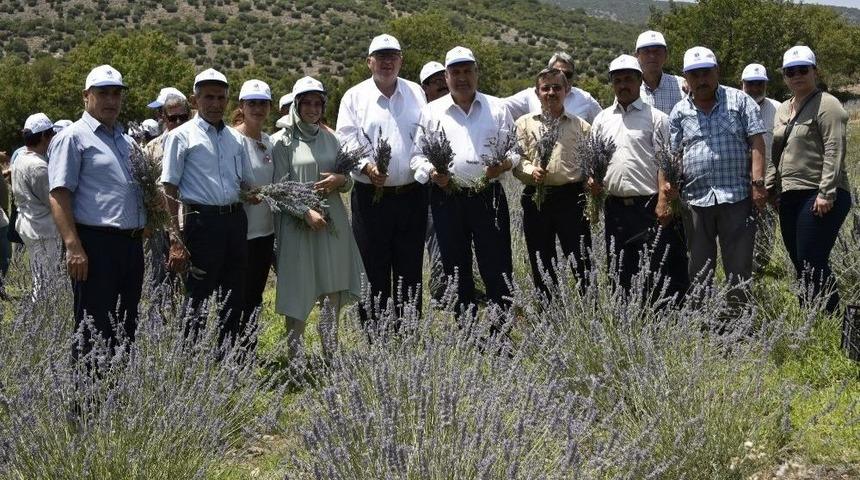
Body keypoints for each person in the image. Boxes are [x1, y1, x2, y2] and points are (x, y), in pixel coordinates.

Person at [411, 46, 518, 316]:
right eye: (455, 72)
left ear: (476, 73)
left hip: (488, 196)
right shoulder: (431, 112)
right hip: (447, 197)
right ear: (446, 77)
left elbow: (515, 151)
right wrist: (433, 174)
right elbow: (417, 157)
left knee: (497, 265)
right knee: (455, 267)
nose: (462, 78)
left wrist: (504, 165)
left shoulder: (497, 108)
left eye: (467, 71)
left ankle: (500, 330)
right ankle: (466, 329)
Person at [48, 65, 146, 355]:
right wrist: (73, 246)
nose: (111, 100)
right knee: (92, 328)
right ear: (86, 97)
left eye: (116, 93)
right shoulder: (73, 137)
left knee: (125, 324)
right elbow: (59, 193)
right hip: (95, 245)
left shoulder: (126, 141)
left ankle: (116, 393)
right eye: (103, 93)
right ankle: (86, 399)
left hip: (130, 245)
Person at [661, 47, 766, 310]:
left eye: (706, 72)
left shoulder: (740, 101)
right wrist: (669, 190)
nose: (701, 79)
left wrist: (758, 183)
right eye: (694, 74)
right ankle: (703, 319)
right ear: (686, 77)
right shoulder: (679, 112)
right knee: (699, 265)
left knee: (739, 263)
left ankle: (739, 320)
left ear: (716, 71)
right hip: (695, 200)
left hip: (737, 195)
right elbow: (674, 155)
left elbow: (756, 142)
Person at [336, 34, 427, 327]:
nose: (387, 62)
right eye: (381, 56)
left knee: (410, 264)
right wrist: (365, 166)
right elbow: (345, 139)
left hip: (412, 194)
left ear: (401, 60)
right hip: (369, 196)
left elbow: (425, 136)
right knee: (372, 265)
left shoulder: (416, 92)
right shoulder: (354, 96)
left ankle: (409, 329)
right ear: (369, 61)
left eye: (393, 56)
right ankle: (375, 332)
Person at [271, 76, 365, 359]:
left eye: (317, 103)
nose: (312, 108)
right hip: (298, 226)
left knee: (331, 287)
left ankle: (330, 355)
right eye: (306, 102)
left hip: (331, 224)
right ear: (296, 105)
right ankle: (296, 359)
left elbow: (348, 181)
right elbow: (277, 190)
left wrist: (340, 180)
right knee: (299, 289)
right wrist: (305, 212)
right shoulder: (281, 142)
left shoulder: (332, 138)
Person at [161, 68, 256, 345]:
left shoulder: (236, 139)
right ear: (195, 100)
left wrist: (255, 194)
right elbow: (169, 189)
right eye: (208, 98)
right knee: (198, 295)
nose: (215, 104)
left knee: (233, 293)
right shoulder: (181, 137)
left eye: (220, 98)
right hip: (201, 223)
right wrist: (175, 239)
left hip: (235, 221)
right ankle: (190, 361)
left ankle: (227, 355)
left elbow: (245, 184)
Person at [589, 55, 689, 300]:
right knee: (619, 267)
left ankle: (660, 319)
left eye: (629, 79)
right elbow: (594, 159)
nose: (623, 85)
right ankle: (626, 317)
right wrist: (593, 183)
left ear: (639, 80)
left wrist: (664, 201)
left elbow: (665, 163)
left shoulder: (656, 118)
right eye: (618, 80)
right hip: (614, 206)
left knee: (655, 266)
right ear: (612, 83)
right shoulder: (602, 119)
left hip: (648, 205)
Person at [768, 45, 852, 314]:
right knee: (798, 260)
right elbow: (776, 153)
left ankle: (833, 318)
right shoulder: (783, 108)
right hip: (790, 195)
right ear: (784, 77)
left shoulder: (828, 104)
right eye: (790, 71)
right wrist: (771, 188)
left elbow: (834, 148)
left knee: (811, 259)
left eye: (803, 69)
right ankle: (810, 316)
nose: (797, 76)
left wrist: (826, 192)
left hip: (819, 193)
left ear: (815, 71)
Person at [513, 67, 591, 297]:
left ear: (567, 90)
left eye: (557, 87)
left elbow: (590, 164)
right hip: (537, 199)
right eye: (545, 88)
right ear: (537, 93)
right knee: (541, 260)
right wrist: (531, 171)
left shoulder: (581, 127)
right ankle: (549, 312)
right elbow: (518, 160)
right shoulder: (524, 124)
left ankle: (589, 309)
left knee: (581, 259)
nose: (551, 92)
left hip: (572, 199)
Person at [233, 79, 276, 323]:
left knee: (254, 296)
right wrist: (244, 193)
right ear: (242, 105)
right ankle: (232, 356)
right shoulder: (231, 139)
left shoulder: (269, 142)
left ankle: (249, 353)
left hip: (265, 231)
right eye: (252, 103)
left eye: (263, 103)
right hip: (240, 233)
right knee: (235, 296)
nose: (257, 109)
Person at [12, 113, 62, 300]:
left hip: (29, 224)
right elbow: (52, 201)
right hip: (42, 228)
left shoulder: (21, 158)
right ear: (42, 136)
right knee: (45, 282)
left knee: (39, 277)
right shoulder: (38, 166)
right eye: (50, 135)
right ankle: (44, 315)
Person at [740, 63, 782, 272]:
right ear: (742, 85)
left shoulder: (778, 108)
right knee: (739, 228)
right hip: (738, 180)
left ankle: (760, 269)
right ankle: (740, 268)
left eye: (759, 84)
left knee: (766, 227)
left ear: (765, 84)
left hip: (768, 179)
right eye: (751, 84)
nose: (755, 88)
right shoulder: (733, 106)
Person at [418, 60, 449, 302]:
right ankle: (440, 290)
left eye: (443, 79)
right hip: (424, 186)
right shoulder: (419, 113)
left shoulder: (453, 110)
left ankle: (451, 286)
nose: (442, 85)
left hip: (451, 185)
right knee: (436, 234)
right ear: (424, 87)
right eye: (435, 82)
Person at [505, 51, 602, 123]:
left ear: (573, 76)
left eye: (567, 74)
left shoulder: (585, 99)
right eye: (557, 72)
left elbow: (603, 122)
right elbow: (502, 107)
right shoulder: (531, 95)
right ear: (548, 72)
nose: (562, 77)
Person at [635, 30, 687, 116]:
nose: (652, 56)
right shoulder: (630, 88)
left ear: (666, 55)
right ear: (637, 56)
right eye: (646, 51)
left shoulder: (681, 86)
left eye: (657, 51)